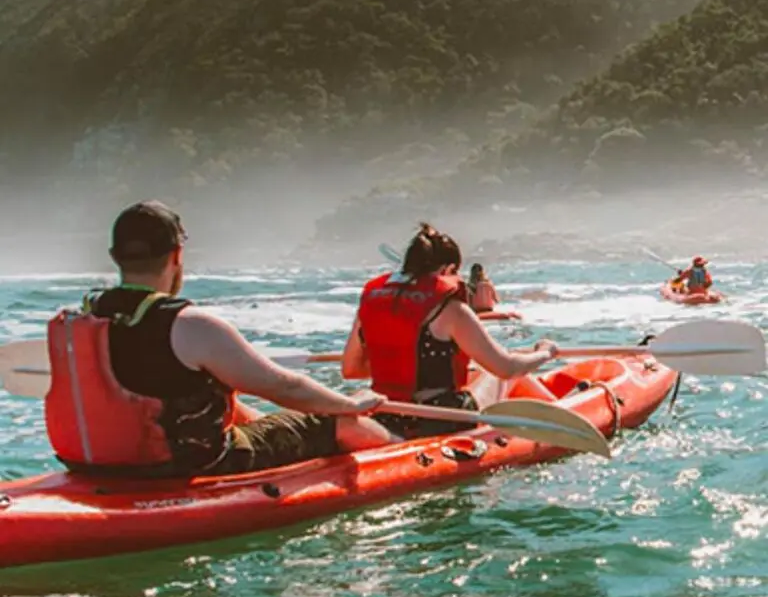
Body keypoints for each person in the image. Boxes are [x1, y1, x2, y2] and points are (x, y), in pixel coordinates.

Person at [45, 200, 400, 478]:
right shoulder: (190, 325)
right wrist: (350, 405)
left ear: (114, 257)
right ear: (177, 255)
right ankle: (407, 454)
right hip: (193, 465)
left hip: (98, 465)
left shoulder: (85, 317)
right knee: (334, 421)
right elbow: (284, 388)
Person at [341, 223, 561, 438]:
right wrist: (545, 352)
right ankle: (560, 409)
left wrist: (401, 362)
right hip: (442, 417)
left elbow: (350, 370)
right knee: (493, 375)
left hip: (387, 416)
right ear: (447, 270)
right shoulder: (452, 309)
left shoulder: (372, 303)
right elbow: (506, 368)